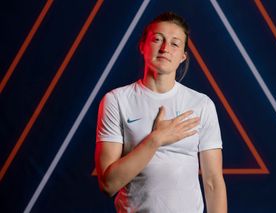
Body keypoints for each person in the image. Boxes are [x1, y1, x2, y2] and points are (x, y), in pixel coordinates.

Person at [95, 12, 227, 213]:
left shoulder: (201, 104)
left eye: (175, 43)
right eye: (157, 39)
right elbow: (109, 184)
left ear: (183, 56)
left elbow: (213, 182)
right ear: (142, 46)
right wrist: (155, 139)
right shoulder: (116, 100)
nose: (165, 48)